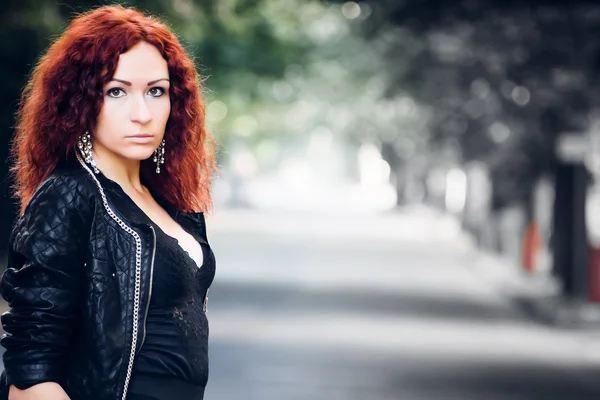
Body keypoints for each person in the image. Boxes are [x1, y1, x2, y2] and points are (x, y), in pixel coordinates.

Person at [0, 5, 217, 400]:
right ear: (80, 102)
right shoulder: (70, 194)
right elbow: (30, 375)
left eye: (157, 91)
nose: (143, 114)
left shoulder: (173, 204)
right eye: (116, 91)